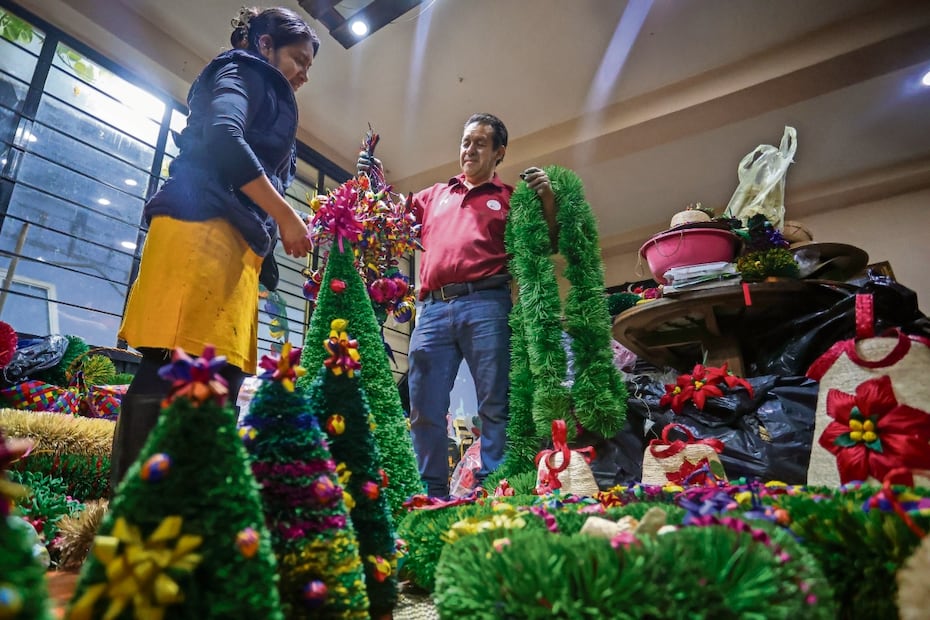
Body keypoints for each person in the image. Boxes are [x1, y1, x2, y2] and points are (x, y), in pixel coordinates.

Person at [111, 7, 320, 491]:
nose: (304, 74)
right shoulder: (239, 70)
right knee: (170, 373)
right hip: (198, 228)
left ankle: (195, 522)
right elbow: (225, 137)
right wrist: (286, 216)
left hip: (234, 245)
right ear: (264, 44)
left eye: (309, 67)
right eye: (298, 59)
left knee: (218, 381)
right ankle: (129, 524)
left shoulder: (265, 82)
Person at [360, 113, 556, 496]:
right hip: (431, 310)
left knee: (496, 404)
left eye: (480, 143)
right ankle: (430, 492)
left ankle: (496, 489)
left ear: (499, 152)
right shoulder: (433, 195)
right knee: (424, 409)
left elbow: (546, 244)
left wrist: (547, 198)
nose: (470, 149)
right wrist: (375, 178)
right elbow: (391, 217)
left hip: (488, 304)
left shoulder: (510, 198)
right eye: (466, 141)